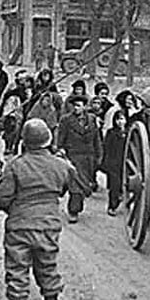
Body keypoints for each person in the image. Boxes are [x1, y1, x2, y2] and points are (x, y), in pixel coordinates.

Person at [0, 118, 81, 300]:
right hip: (49, 224)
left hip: (20, 224)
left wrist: (12, 209)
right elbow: (72, 186)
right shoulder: (61, 165)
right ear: (48, 140)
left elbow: (2, 198)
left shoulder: (15, 165)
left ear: (25, 141)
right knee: (47, 264)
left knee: (17, 266)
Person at [56, 93, 102, 223]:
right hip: (73, 156)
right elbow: (60, 137)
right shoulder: (66, 120)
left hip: (88, 158)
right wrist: (59, 148)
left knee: (83, 186)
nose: (76, 108)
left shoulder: (92, 120)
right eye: (74, 106)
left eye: (78, 106)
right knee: (75, 186)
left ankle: (68, 197)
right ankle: (73, 211)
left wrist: (99, 155)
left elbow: (97, 138)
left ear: (85, 107)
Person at [101, 110, 128, 217]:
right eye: (118, 119)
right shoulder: (111, 133)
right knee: (114, 186)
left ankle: (120, 198)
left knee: (122, 184)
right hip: (113, 163)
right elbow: (106, 148)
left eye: (122, 119)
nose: (120, 122)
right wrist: (106, 163)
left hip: (125, 163)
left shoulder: (129, 132)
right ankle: (112, 206)